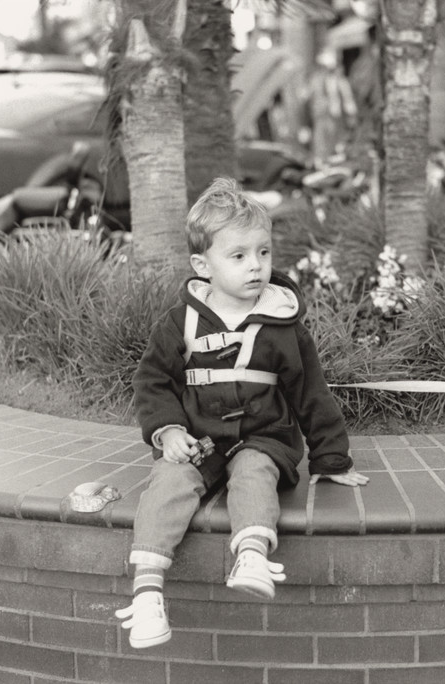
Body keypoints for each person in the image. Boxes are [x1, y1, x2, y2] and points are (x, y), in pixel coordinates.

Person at [115, 177, 369, 649]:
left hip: (263, 435)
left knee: (254, 472)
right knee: (168, 482)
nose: (256, 266)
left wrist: (331, 458)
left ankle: (252, 555)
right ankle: (147, 594)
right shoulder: (181, 322)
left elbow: (311, 393)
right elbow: (152, 381)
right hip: (198, 439)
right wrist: (168, 431)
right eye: (238, 256)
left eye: (263, 253)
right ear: (202, 265)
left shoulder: (283, 324)